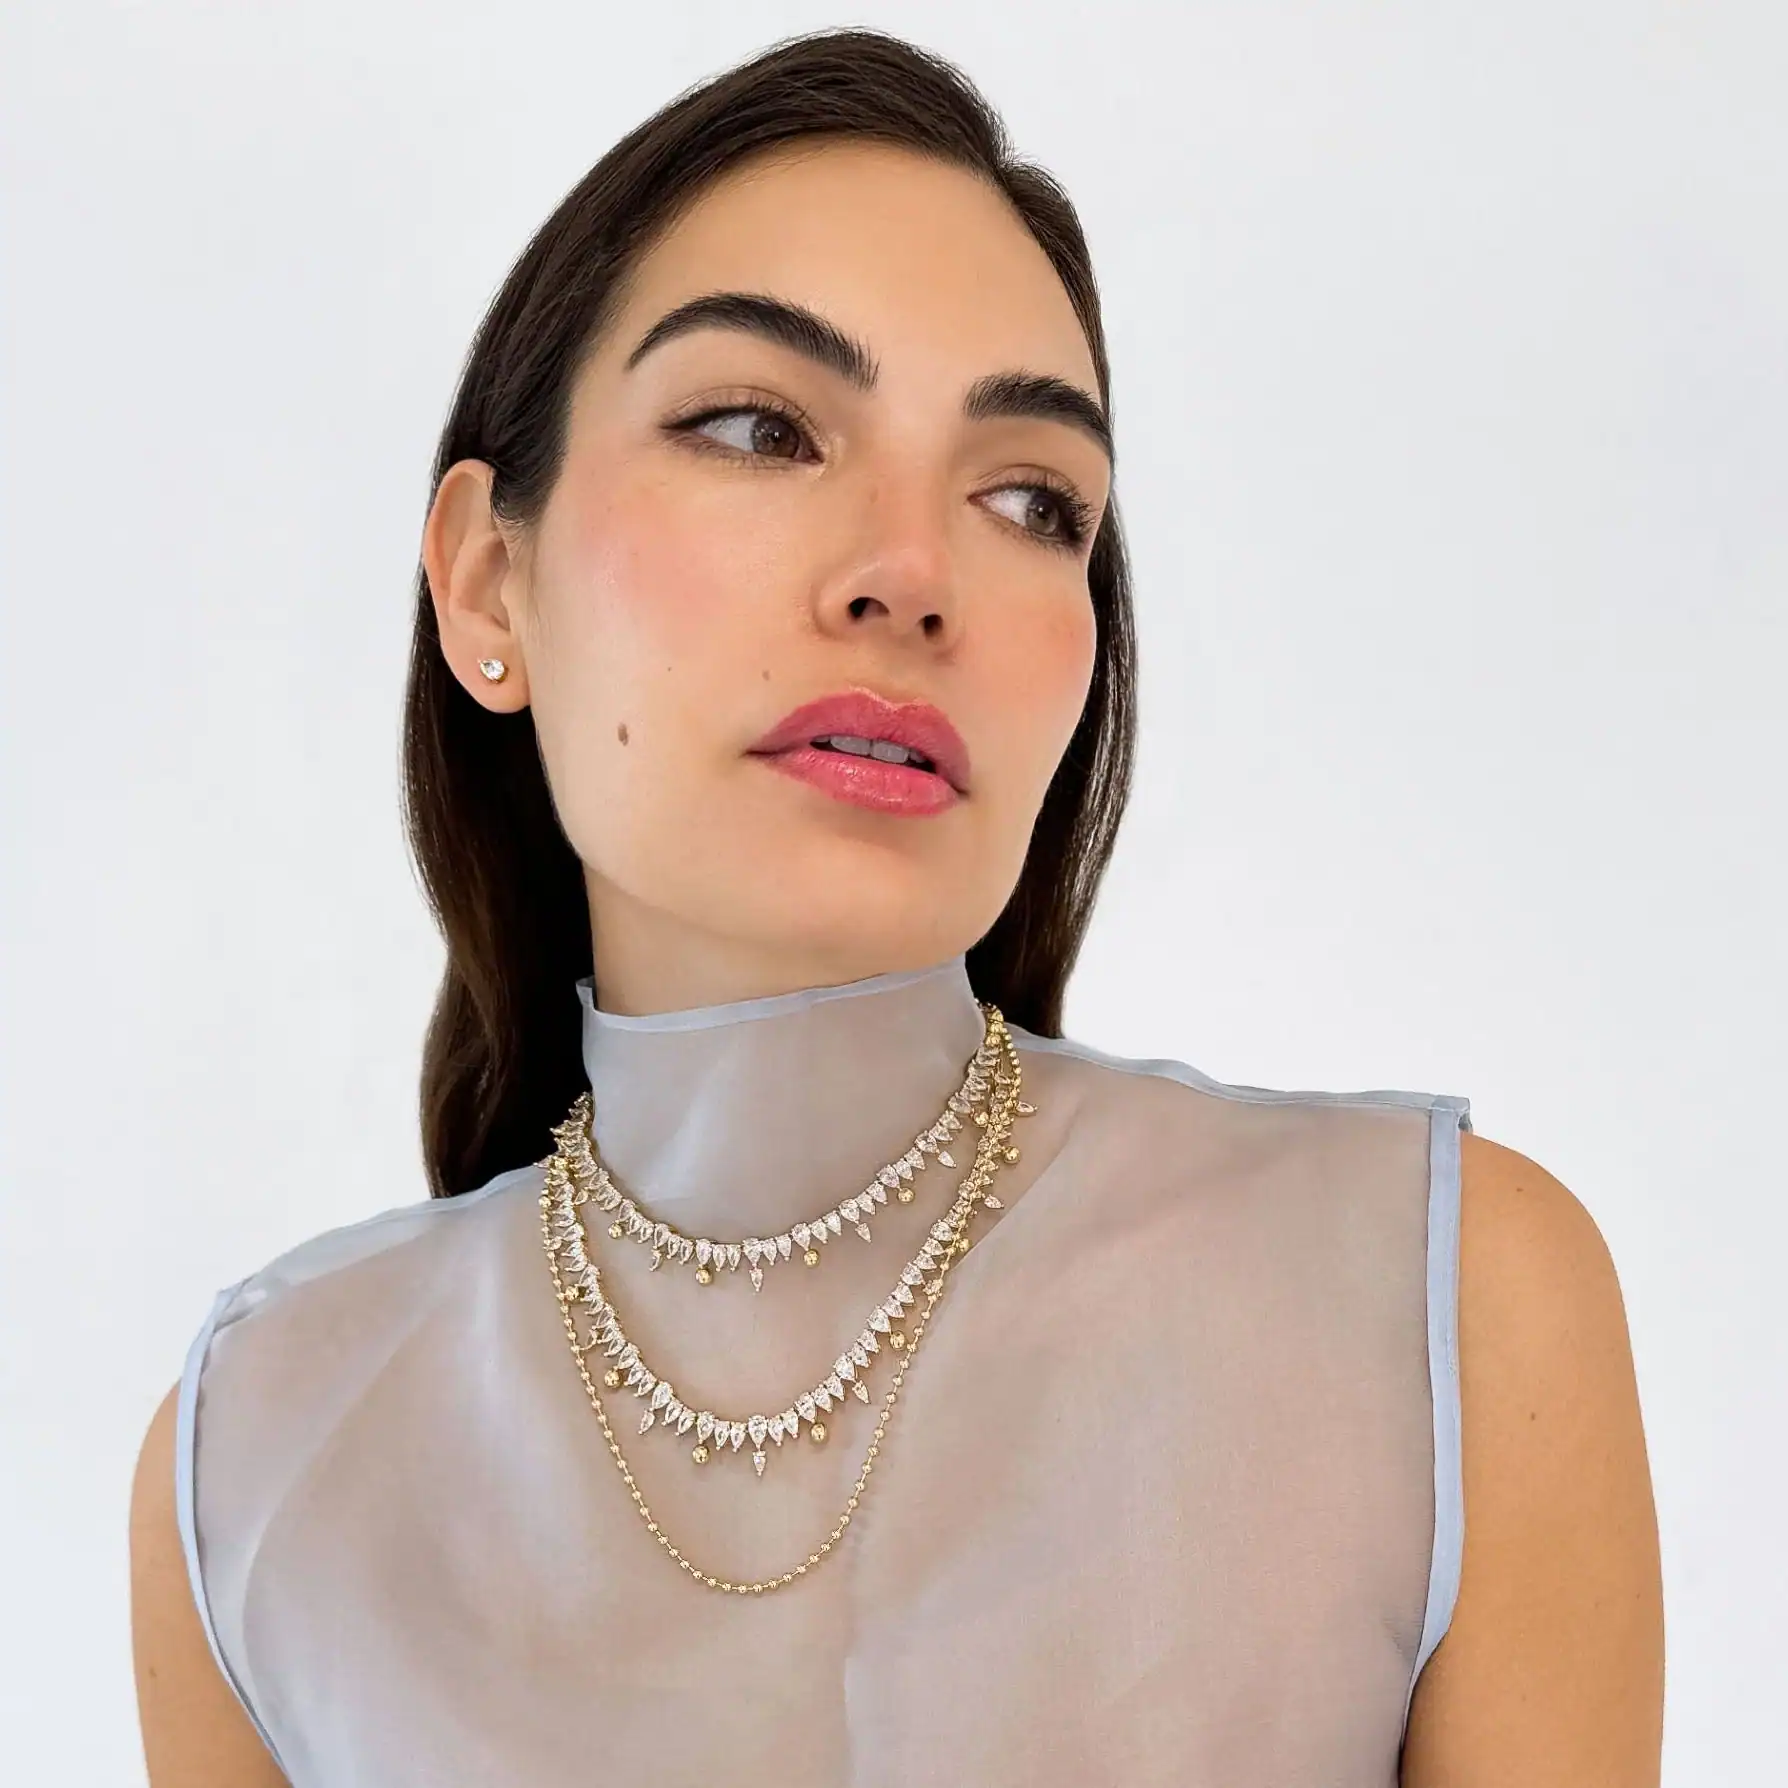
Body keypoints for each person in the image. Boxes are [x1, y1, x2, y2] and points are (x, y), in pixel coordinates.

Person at [128, 27, 1663, 1786]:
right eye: (759, 427)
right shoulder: (258, 1466)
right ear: (488, 581)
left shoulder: (1444, 1310)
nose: (912, 574)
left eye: (1030, 499)